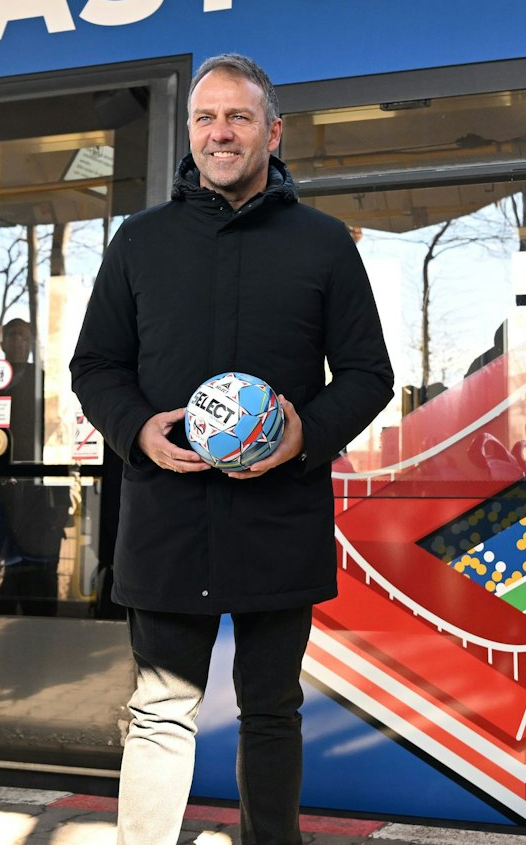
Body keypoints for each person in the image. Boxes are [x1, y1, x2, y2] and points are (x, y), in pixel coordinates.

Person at [70, 52, 393, 845]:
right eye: (207, 117)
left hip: (278, 519)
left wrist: (304, 436)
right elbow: (95, 366)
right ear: (190, 133)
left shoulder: (323, 243)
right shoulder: (139, 242)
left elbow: (368, 373)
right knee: (157, 711)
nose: (222, 131)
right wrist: (138, 429)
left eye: (239, 116)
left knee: (272, 711)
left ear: (272, 131)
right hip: (165, 519)